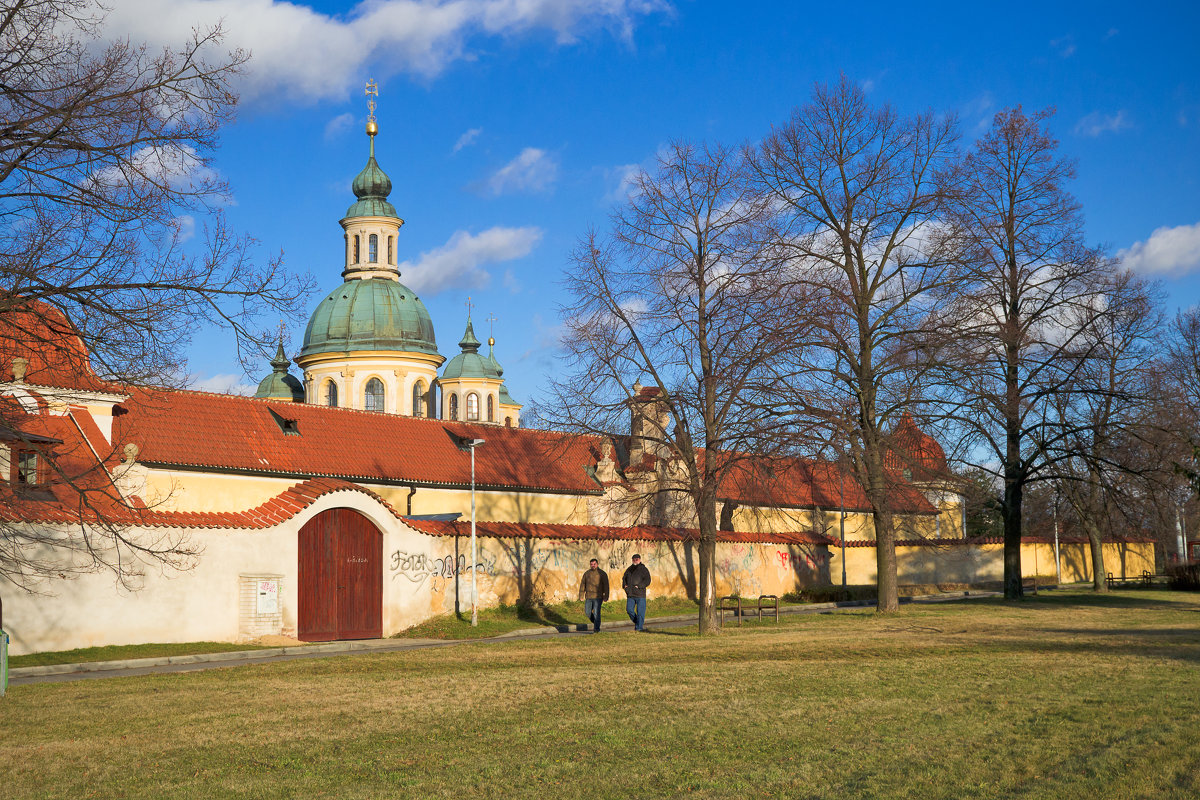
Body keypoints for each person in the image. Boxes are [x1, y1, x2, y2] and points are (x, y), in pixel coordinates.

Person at [578, 558, 610, 633]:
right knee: (587, 612)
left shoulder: (602, 573)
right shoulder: (587, 573)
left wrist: (606, 596)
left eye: (594, 564)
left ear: (597, 564)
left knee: (596, 612)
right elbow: (583, 584)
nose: (593, 566)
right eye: (591, 564)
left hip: (598, 597)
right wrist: (581, 595)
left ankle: (596, 629)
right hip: (588, 596)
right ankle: (596, 622)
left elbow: (606, 586)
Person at [622, 553, 652, 632]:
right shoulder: (629, 569)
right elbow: (624, 578)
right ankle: (638, 622)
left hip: (640, 594)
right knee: (629, 610)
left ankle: (639, 628)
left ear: (640, 560)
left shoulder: (643, 569)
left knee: (640, 612)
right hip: (630, 594)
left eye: (637, 559)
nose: (635, 561)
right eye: (634, 559)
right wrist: (625, 586)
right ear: (632, 560)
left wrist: (639, 586)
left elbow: (648, 580)